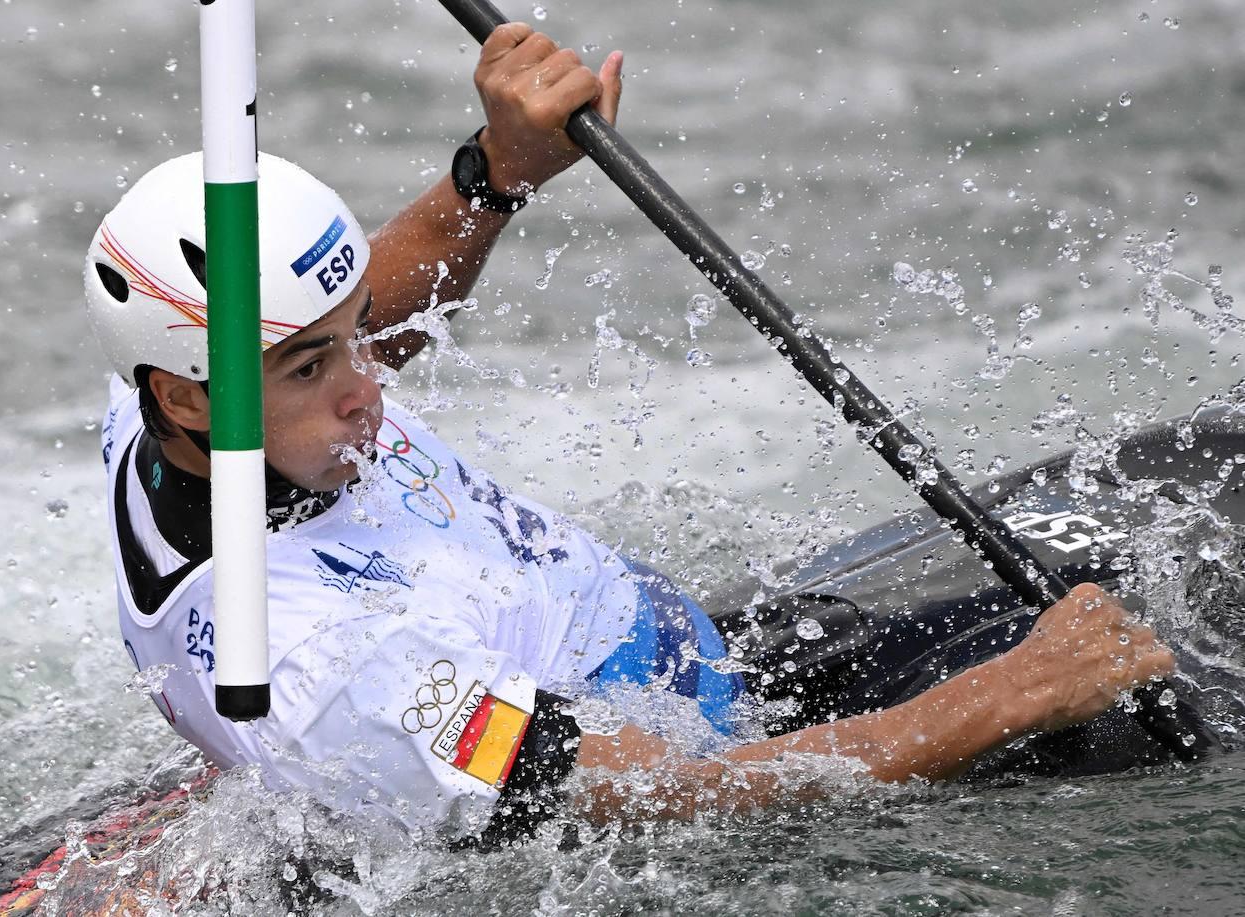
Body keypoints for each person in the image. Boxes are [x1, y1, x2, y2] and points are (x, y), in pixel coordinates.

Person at [84, 23, 1175, 840]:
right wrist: (1001, 699)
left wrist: (493, 173)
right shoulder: (337, 676)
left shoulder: (190, 394)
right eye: (314, 365)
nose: (372, 379)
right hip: (727, 781)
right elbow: (662, 799)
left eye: (353, 331)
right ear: (187, 397)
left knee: (1137, 592)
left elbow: (363, 314)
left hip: (711, 662)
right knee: (1151, 698)